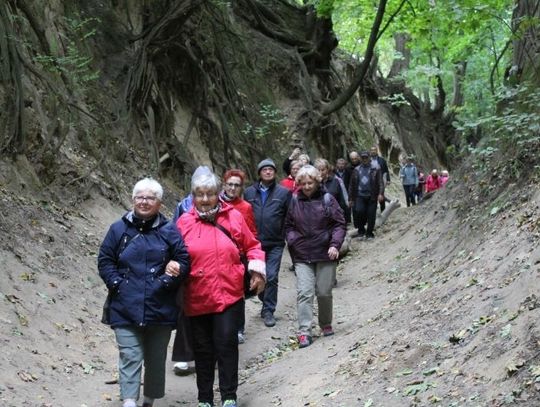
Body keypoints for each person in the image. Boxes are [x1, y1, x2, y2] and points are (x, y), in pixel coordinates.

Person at [98, 178, 191, 407]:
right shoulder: (118, 229)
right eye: (140, 197)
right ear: (133, 200)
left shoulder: (169, 230)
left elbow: (183, 260)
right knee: (130, 355)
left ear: (159, 203)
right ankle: (129, 400)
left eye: (150, 198)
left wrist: (170, 276)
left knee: (156, 358)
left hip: (160, 306)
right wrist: (118, 284)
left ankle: (150, 398)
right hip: (124, 305)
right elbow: (105, 260)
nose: (144, 202)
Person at [176, 171, 266, 407]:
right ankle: (204, 398)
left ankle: (229, 396)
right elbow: (172, 254)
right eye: (200, 194)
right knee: (203, 350)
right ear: (193, 196)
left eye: (210, 194)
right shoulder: (184, 222)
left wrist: (257, 271)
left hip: (229, 293)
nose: (205, 199)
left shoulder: (233, 217)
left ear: (219, 194)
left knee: (226, 344)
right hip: (197, 295)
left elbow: (253, 245)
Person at [285, 165, 346, 348]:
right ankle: (304, 331)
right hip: (302, 254)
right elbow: (288, 226)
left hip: (325, 252)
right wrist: (293, 240)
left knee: (324, 292)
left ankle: (325, 323)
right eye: (303, 183)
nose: (307, 186)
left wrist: (335, 245)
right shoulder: (294, 200)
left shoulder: (328, 199)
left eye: (310, 182)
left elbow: (339, 224)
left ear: (317, 181)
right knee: (304, 293)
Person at [171, 166, 212, 376]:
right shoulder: (183, 206)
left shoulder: (217, 204)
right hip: (189, 266)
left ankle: (206, 354)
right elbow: (174, 232)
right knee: (184, 312)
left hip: (212, 267)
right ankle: (183, 357)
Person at [244, 158, 292, 327]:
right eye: (264, 169)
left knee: (271, 277)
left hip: (275, 243)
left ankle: (268, 310)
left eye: (271, 169)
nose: (268, 172)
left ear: (275, 172)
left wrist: (285, 234)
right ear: (259, 173)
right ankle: (264, 296)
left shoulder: (284, 193)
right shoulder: (249, 193)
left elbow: (289, 216)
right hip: (254, 244)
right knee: (257, 278)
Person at [220, 168, 259, 344]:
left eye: (237, 185)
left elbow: (251, 232)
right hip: (219, 255)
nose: (233, 188)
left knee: (238, 294)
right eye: (230, 184)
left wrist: (250, 257)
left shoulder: (245, 207)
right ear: (224, 185)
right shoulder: (215, 204)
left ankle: (239, 329)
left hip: (238, 256)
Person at [348, 151, 384, 239]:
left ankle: (369, 233)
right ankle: (361, 231)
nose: (364, 159)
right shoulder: (356, 170)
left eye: (366, 157)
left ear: (369, 158)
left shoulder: (376, 168)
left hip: (372, 195)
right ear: (360, 158)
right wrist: (350, 198)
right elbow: (351, 185)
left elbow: (380, 182)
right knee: (359, 212)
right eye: (363, 158)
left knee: (371, 215)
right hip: (359, 195)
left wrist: (380, 193)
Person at [370, 146, 391, 213]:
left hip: (380, 181)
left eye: (374, 150)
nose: (373, 151)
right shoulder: (368, 160)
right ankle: (373, 212)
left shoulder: (382, 160)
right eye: (372, 150)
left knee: (381, 195)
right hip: (370, 182)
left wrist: (388, 179)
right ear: (370, 151)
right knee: (372, 197)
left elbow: (386, 170)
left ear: (377, 151)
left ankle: (383, 211)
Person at [334, 157, 352, 224]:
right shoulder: (334, 172)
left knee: (347, 205)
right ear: (336, 164)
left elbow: (351, 182)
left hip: (346, 190)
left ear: (345, 165)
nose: (341, 165)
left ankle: (348, 220)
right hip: (337, 191)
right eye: (339, 164)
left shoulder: (349, 172)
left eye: (343, 164)